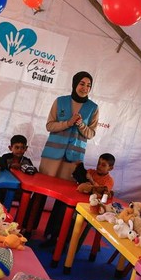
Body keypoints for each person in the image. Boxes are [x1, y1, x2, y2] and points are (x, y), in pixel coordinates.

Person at [37, 71, 98, 246]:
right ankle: (27, 227)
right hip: (52, 157)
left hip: (72, 160)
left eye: (88, 85)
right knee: (40, 194)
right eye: (82, 83)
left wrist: (80, 124)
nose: (85, 88)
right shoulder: (60, 101)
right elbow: (49, 125)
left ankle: (52, 235)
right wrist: (68, 123)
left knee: (63, 200)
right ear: (74, 83)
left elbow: (91, 133)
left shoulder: (93, 108)